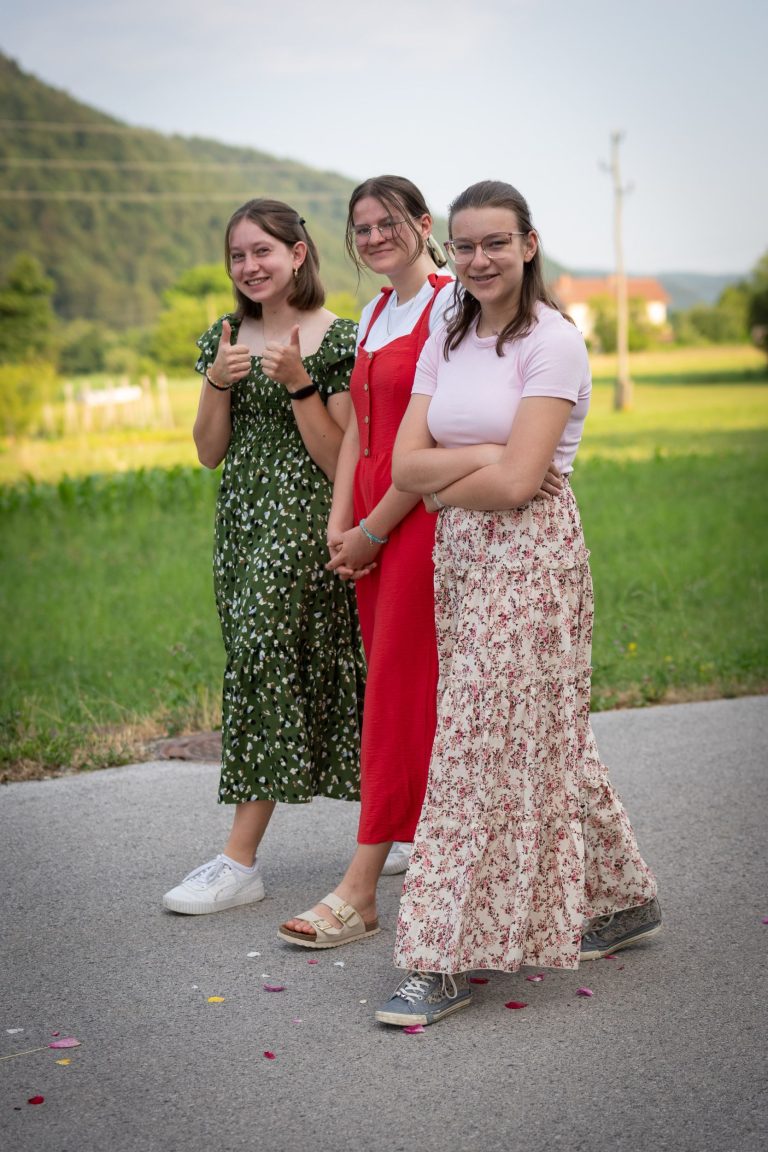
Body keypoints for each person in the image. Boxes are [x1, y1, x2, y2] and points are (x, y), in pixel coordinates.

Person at [375, 180, 661, 1026]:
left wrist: (451, 479)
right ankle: (622, 900)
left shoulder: (555, 341)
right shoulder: (445, 330)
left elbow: (519, 483)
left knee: (471, 744)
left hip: (532, 558)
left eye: (495, 242)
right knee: (538, 729)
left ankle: (441, 958)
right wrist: (482, 460)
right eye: (464, 245)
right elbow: (404, 466)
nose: (479, 259)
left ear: (528, 245)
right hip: (462, 558)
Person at [163, 199, 365, 915]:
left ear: (297, 254)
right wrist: (219, 379)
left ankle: (238, 861)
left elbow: (341, 458)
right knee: (311, 662)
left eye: (263, 252)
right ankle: (400, 822)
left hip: (306, 522)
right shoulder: (224, 336)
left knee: (261, 657)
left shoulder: (338, 338)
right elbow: (207, 451)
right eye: (238, 255)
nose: (249, 266)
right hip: (241, 529)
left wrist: (299, 383)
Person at [276, 176, 456, 947]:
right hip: (369, 520)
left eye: (389, 223)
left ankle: (360, 889)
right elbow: (357, 429)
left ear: (424, 223)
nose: (375, 237)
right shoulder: (379, 312)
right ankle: (442, 844)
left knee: (395, 692)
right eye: (362, 228)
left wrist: (375, 531)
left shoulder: (451, 305)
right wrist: (339, 520)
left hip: (419, 517)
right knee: (407, 685)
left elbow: (438, 436)